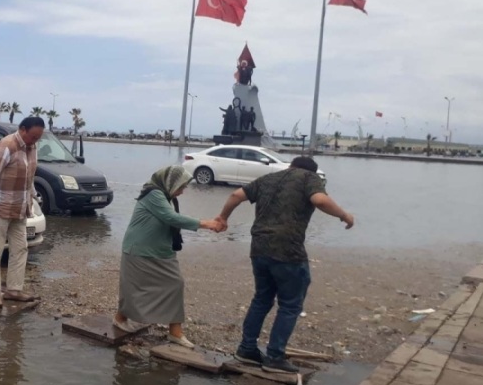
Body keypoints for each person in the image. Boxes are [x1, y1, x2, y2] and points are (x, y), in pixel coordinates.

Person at [215, 156, 354, 373]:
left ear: (291, 166)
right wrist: (344, 215)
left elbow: (236, 195)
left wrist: (223, 218)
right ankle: (275, 356)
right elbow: (320, 200)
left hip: (259, 248)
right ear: (312, 171)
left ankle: (247, 349)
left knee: (261, 299)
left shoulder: (268, 178)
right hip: (288, 251)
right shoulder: (310, 178)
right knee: (290, 305)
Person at [114, 166, 223, 348]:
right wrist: (207, 224)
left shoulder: (165, 197)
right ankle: (120, 318)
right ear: (170, 183)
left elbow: (169, 219)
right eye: (182, 186)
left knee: (175, 283)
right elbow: (171, 218)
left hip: (160, 250)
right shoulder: (154, 194)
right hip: (138, 249)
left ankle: (175, 332)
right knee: (133, 287)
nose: (183, 190)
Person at [0, 116, 45, 308]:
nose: (34, 141)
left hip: (19, 208)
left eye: (38, 138)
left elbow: (29, 178)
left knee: (20, 248)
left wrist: (33, 198)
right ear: (22, 129)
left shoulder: (32, 148)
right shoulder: (6, 146)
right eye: (32, 136)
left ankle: (14, 289)